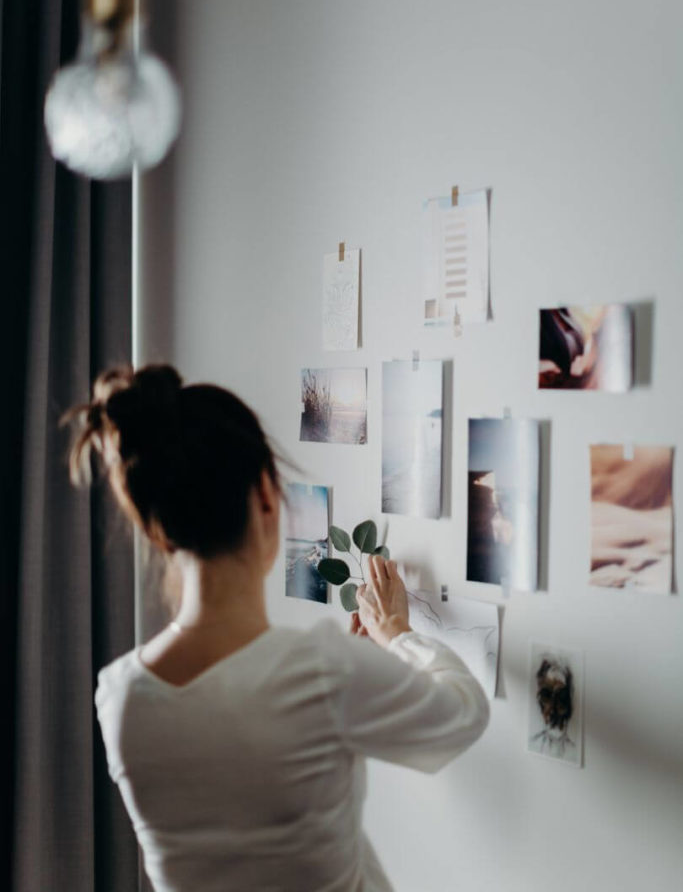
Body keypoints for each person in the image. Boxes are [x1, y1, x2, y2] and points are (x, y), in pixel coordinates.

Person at [66, 363, 490, 892]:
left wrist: (340, 687)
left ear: (158, 531)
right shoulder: (322, 673)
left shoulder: (119, 696)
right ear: (266, 497)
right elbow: (464, 715)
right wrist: (396, 634)